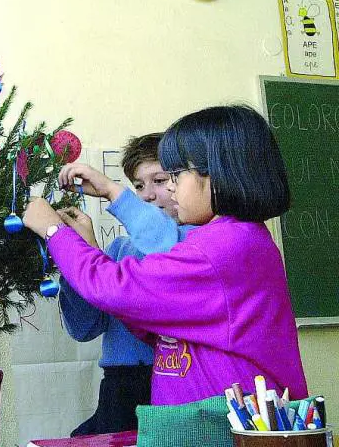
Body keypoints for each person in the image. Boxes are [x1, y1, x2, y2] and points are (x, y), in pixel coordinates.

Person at [24, 105, 307, 406]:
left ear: (218, 173)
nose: (170, 188)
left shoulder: (224, 245)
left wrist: (54, 231)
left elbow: (118, 288)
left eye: (176, 175)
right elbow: (145, 313)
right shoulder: (226, 238)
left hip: (226, 429)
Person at [56, 133, 196, 435]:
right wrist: (80, 257)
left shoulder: (195, 241)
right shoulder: (119, 249)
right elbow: (85, 327)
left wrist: (110, 190)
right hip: (119, 387)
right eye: (138, 186)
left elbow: (162, 255)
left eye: (158, 180)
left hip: (172, 382)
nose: (147, 195)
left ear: (182, 181)